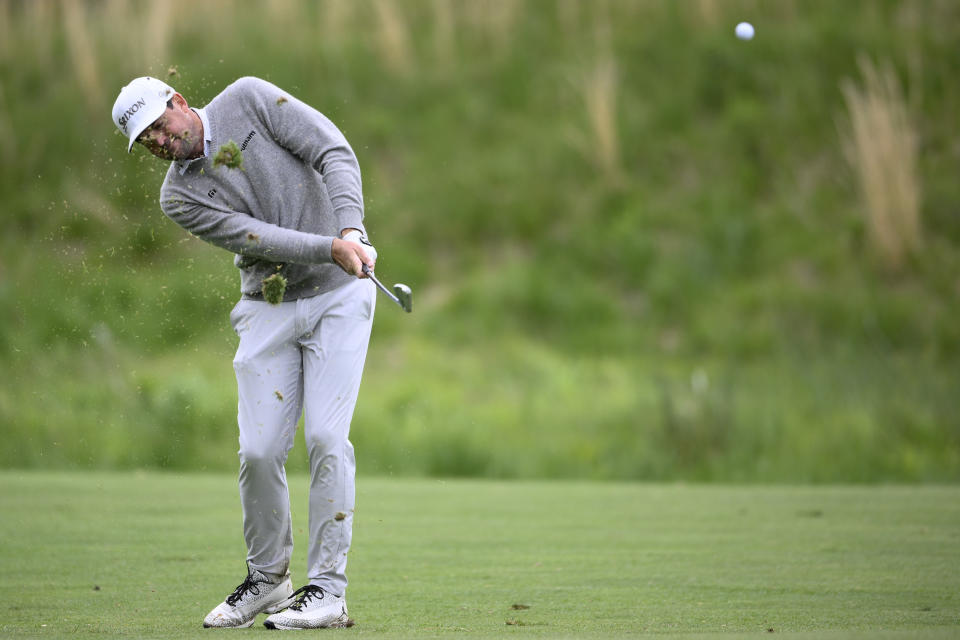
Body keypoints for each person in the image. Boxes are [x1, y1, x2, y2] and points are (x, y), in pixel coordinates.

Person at [111, 76, 378, 629]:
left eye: (160, 126)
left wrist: (349, 226)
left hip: (339, 298)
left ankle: (327, 590)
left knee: (327, 438)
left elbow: (333, 150)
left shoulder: (249, 99)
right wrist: (331, 247)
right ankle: (269, 581)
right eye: (146, 141)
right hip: (268, 305)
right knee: (258, 451)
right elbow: (254, 237)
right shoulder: (177, 196)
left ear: (179, 103)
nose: (159, 142)